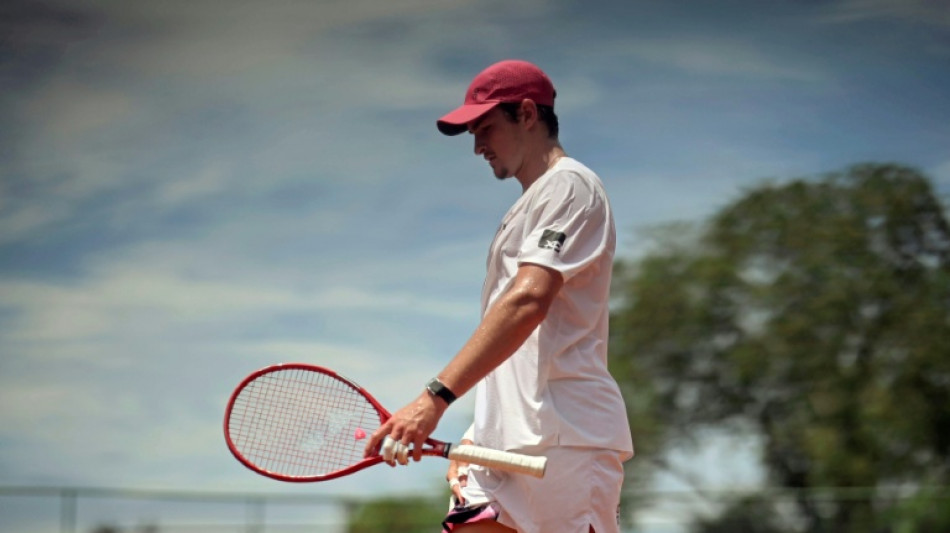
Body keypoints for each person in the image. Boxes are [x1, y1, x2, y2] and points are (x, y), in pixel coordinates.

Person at [364, 59, 634, 533]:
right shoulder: (526, 206)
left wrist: (433, 400)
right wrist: (477, 432)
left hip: (565, 440)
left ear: (527, 114)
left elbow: (528, 302)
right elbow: (515, 341)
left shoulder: (570, 185)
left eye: (484, 127)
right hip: (504, 443)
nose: (477, 147)